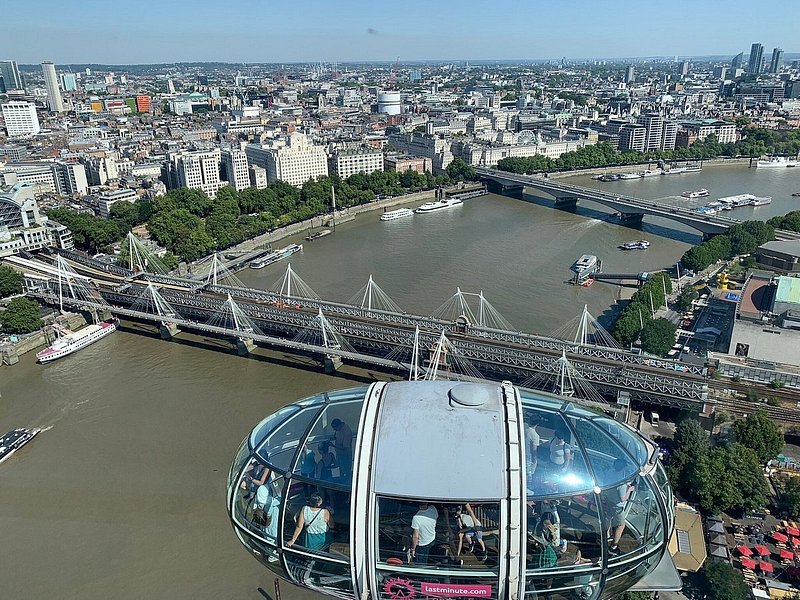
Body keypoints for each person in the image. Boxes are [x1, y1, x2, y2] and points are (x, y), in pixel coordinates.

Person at [607, 459, 636, 555]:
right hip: (617, 507)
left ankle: (606, 536)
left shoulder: (610, 472)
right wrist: (630, 489)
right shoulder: (621, 483)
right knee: (620, 525)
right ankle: (613, 546)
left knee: (609, 519)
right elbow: (623, 498)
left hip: (608, 501)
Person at [526, 415, 541, 483]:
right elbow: (534, 451)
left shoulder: (524, 429)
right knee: (528, 475)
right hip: (528, 458)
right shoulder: (535, 435)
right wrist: (534, 461)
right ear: (537, 423)